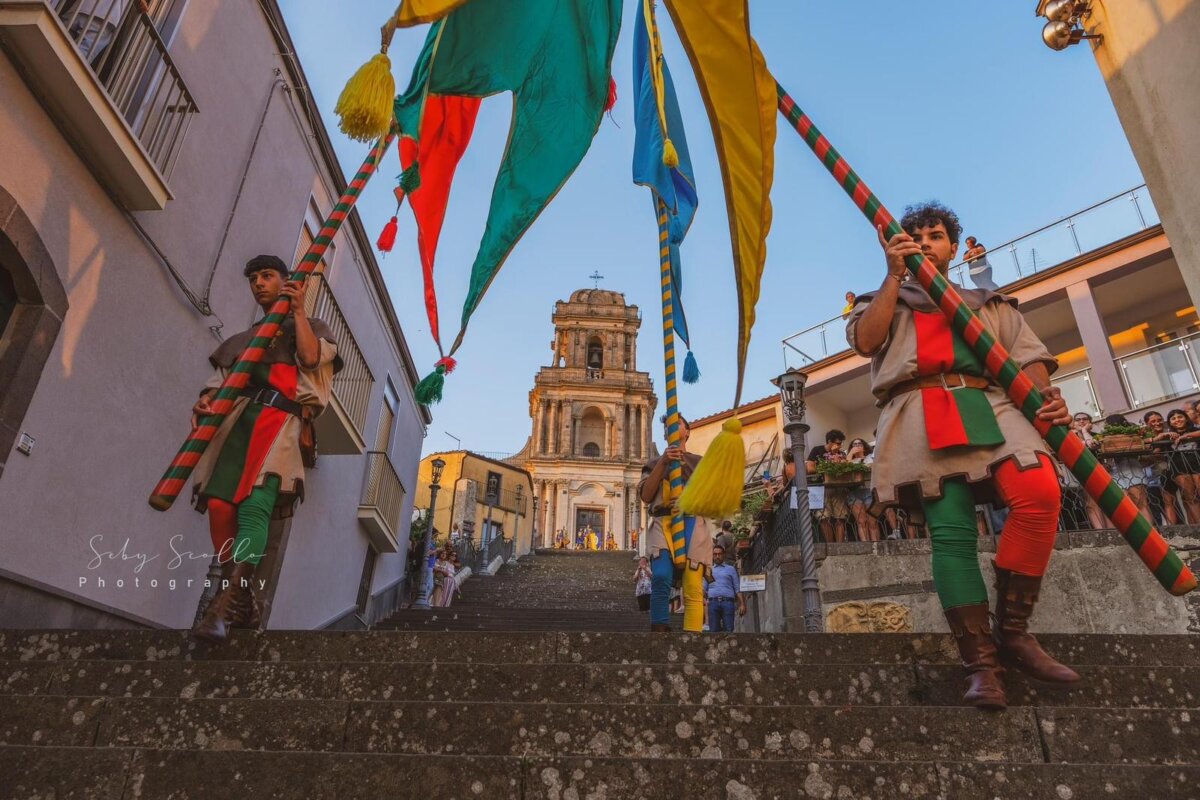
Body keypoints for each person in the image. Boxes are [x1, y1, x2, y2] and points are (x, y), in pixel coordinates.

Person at [847, 201, 1079, 711]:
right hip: (918, 407)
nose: (925, 243)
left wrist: (1045, 397)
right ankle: (981, 664)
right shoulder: (882, 297)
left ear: (953, 247)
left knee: (1040, 492)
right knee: (952, 535)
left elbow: (1028, 357)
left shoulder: (990, 302)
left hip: (991, 401)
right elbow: (866, 341)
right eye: (915, 237)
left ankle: (1013, 632)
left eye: (935, 236)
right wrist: (893, 277)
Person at [189, 255, 341, 643]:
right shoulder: (244, 339)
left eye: (267, 276)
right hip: (237, 425)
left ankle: (223, 606)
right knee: (220, 507)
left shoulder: (315, 328)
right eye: (254, 278)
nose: (258, 283)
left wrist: (299, 312)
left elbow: (309, 358)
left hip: (282, 425)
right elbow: (218, 385)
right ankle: (244, 602)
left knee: (255, 507)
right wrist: (205, 400)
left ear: (286, 281)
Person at [638, 415, 713, 632]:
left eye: (677, 422)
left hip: (693, 522)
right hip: (663, 522)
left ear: (687, 432)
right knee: (661, 576)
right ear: (664, 434)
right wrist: (663, 461)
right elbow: (646, 495)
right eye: (666, 424)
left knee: (693, 584)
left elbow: (710, 498)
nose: (670, 425)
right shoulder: (652, 464)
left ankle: (693, 634)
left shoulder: (699, 462)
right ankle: (660, 631)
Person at [806, 429, 850, 542]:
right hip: (821, 489)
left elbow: (846, 469)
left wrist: (836, 456)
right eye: (838, 443)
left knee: (840, 517)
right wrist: (828, 465)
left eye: (841, 443)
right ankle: (830, 545)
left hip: (838, 488)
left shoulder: (841, 454)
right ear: (830, 441)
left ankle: (839, 546)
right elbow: (810, 468)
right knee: (824, 518)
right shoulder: (817, 450)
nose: (840, 446)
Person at [1071, 413, 1108, 530]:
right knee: (1091, 503)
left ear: (1090, 422)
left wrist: (1085, 432)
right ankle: (1101, 531)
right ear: (1073, 423)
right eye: (1078, 420)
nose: (1081, 421)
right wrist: (1083, 432)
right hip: (1082, 473)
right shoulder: (1071, 437)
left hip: (1100, 472)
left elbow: (1093, 445)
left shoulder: (1097, 436)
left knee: (1105, 502)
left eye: (1085, 419)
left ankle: (1111, 530)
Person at [1144, 411, 1180, 525]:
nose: (1157, 423)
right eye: (1153, 421)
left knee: (1170, 501)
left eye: (1159, 420)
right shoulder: (1145, 437)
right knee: (1155, 507)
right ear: (1147, 423)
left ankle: (1172, 530)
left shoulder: (1169, 433)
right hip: (1150, 477)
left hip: (1166, 473)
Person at [1167, 408, 1200, 523]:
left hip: (1197, 465)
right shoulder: (1168, 435)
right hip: (1179, 469)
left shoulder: (1195, 429)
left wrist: (1185, 436)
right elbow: (1155, 450)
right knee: (1191, 498)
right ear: (1170, 422)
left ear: (1186, 418)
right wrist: (1164, 435)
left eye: (1180, 417)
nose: (1177, 420)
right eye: (1173, 418)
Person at [703, 544, 746, 632]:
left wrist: (742, 604)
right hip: (713, 603)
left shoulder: (731, 569)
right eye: (715, 554)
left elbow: (737, 587)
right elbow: (704, 589)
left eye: (719, 554)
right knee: (713, 631)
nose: (717, 556)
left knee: (729, 630)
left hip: (728, 602)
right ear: (712, 555)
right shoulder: (708, 570)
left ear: (724, 555)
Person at [846, 437, 880, 541]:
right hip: (854, 492)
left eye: (859, 443)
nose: (857, 446)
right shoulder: (850, 460)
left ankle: (876, 545)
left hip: (869, 491)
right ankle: (866, 546)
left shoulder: (870, 457)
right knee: (861, 522)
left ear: (864, 446)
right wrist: (850, 454)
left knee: (872, 522)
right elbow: (845, 468)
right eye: (854, 444)